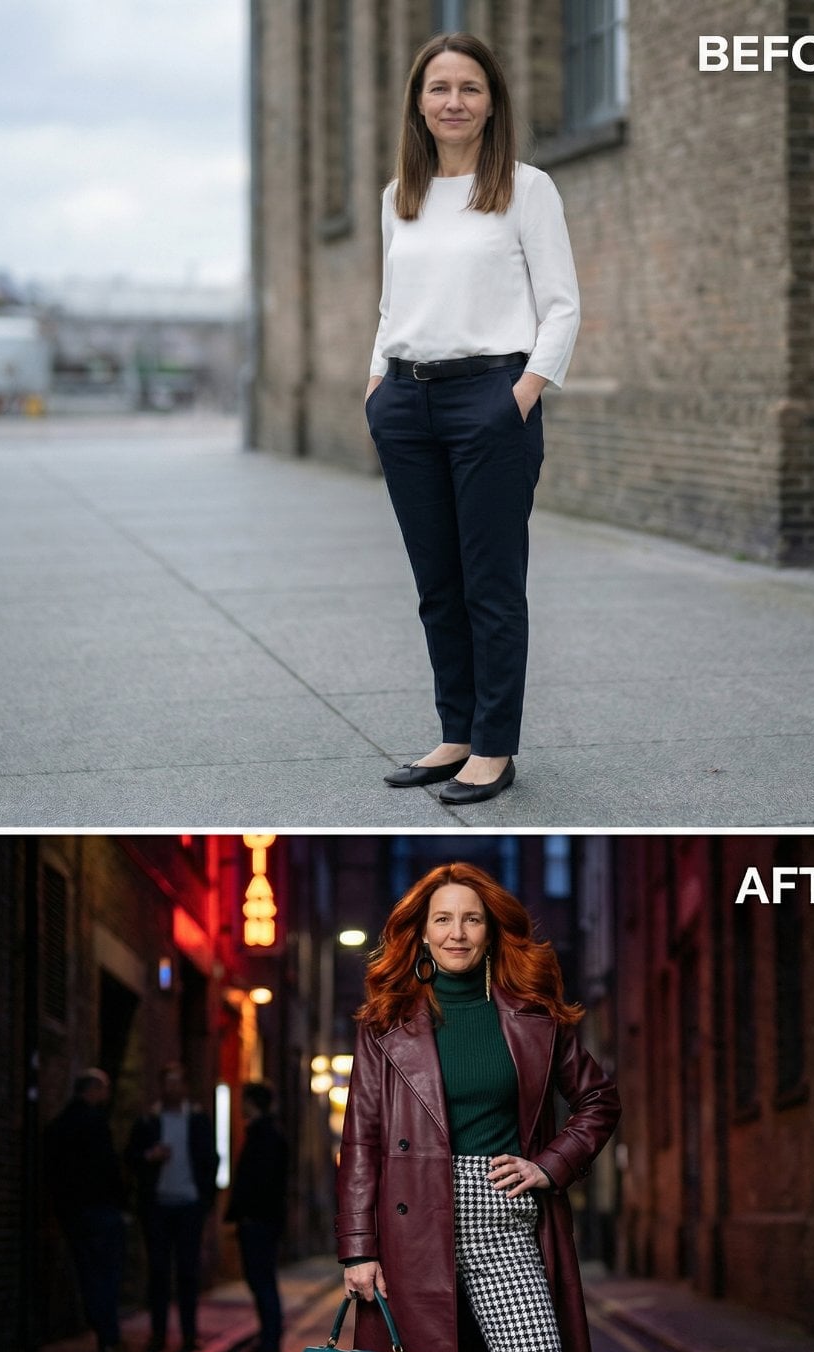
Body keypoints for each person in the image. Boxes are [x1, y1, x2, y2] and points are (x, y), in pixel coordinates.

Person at [337, 862, 637, 1352]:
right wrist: (358, 1249)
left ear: (493, 930)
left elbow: (598, 1099)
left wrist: (549, 1165)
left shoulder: (534, 1014)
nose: (457, 932)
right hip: (411, 1234)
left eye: (471, 918)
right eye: (442, 919)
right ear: (419, 934)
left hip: (504, 1223)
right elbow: (362, 1139)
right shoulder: (385, 1023)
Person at [365, 33, 580, 806]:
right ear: (418, 104)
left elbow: (562, 306)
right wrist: (376, 388)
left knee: (491, 587)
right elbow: (392, 305)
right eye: (439, 88)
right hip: (406, 403)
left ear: (492, 103)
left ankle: (493, 747)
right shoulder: (400, 197)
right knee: (437, 586)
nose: (453, 101)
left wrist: (520, 396)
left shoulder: (527, 189)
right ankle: (455, 734)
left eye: (469, 88)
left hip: (490, 400)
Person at [125, 1063, 217, 1352]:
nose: (172, 1088)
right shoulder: (148, 1121)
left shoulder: (198, 1120)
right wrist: (149, 1156)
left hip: (189, 1206)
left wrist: (204, 1201)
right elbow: (130, 1157)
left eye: (177, 1083)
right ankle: (158, 1335)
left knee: (188, 1273)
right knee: (158, 1272)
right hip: (157, 1206)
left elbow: (210, 1160)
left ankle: (189, 1336)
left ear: (185, 1087)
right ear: (161, 1086)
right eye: (168, 1083)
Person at [43, 1068, 127, 1352]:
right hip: (100, 1209)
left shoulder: (60, 1125)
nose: (107, 1095)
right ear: (92, 1090)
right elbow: (109, 1168)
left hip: (73, 1212)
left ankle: (100, 1327)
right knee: (107, 1274)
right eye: (103, 1089)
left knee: (88, 1273)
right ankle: (108, 1335)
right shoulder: (95, 1124)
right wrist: (121, 1203)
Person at [225, 1079, 288, 1352]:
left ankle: (269, 1343)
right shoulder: (266, 1133)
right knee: (262, 1281)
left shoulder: (264, 1136)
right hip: (263, 1220)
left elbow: (261, 1183)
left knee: (262, 1281)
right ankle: (268, 1340)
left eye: (244, 1100)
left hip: (260, 1222)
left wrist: (247, 1214)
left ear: (252, 1103)